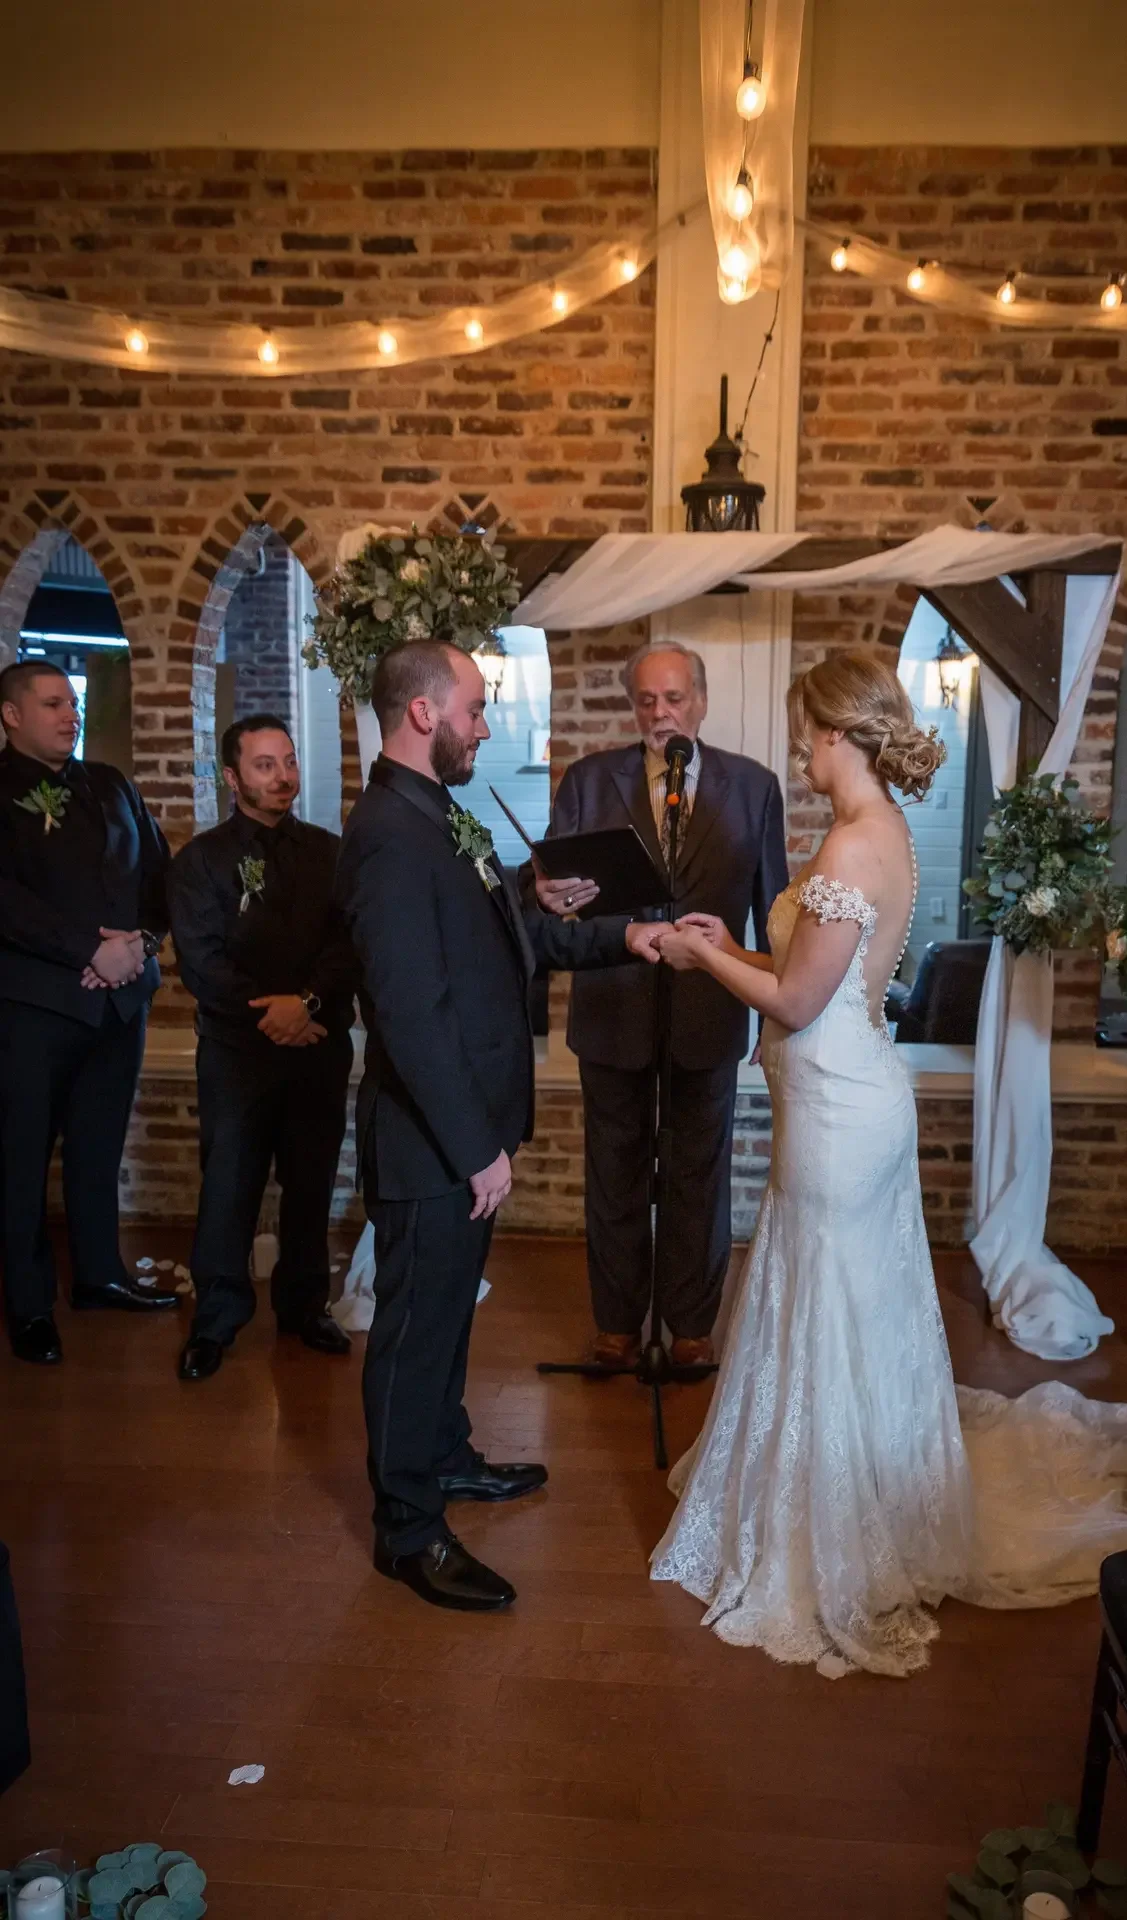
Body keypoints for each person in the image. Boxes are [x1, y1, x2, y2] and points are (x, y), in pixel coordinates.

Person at [649, 652, 1127, 1678]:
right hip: (837, 1096)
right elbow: (800, 975)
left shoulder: (852, 849)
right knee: (835, 1302)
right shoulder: (873, 833)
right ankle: (836, 1487)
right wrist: (723, 940)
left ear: (835, 734)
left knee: (828, 1303)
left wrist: (701, 957)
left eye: (803, 729)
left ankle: (834, 1530)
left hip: (837, 1110)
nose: (798, 746)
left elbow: (790, 1002)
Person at [336, 639, 663, 1614]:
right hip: (434, 1136)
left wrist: (626, 934)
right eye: (475, 709)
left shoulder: (438, 815)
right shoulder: (389, 834)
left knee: (443, 1318)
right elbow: (408, 1010)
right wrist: (473, 1147)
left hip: (468, 1123)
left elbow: (508, 943)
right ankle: (406, 1529)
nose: (486, 727)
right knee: (411, 1329)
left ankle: (445, 1458)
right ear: (425, 714)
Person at [534, 640, 788, 1372]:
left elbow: (772, 911)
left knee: (696, 1178)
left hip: (709, 1011)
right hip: (612, 1007)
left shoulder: (754, 786)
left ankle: (690, 1327)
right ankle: (615, 1325)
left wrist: (770, 1004)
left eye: (674, 698)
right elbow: (556, 897)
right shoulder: (588, 779)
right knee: (612, 1174)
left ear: (702, 702)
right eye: (646, 700)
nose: (660, 713)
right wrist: (562, 899)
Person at [166, 713, 359, 1382]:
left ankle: (306, 1308)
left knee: (310, 1186)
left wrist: (304, 1006)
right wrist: (273, 1016)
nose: (283, 777)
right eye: (265, 766)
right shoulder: (201, 862)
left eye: (288, 762)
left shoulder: (331, 853)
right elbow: (203, 963)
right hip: (236, 1053)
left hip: (317, 1044)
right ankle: (216, 1319)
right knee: (229, 1186)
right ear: (232, 777)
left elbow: (346, 943)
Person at [0, 659, 176, 1365]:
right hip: (33, 1007)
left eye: (72, 704)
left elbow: (160, 874)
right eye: (51, 704)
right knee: (20, 1161)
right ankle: (29, 1304)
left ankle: (99, 1275)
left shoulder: (110, 784)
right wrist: (86, 950)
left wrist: (143, 945)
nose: (70, 715)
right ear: (11, 715)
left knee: (99, 1149)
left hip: (119, 1006)